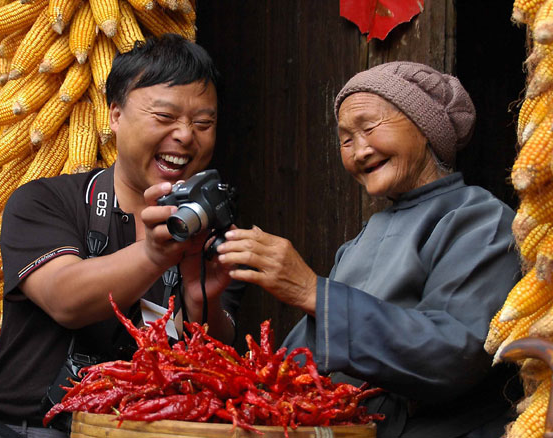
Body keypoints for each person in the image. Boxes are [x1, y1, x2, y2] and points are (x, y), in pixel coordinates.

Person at [216, 61, 522, 438]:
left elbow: (453, 354)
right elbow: (304, 355)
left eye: (369, 127)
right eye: (346, 139)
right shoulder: (363, 239)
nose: (359, 150)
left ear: (424, 127)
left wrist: (312, 292)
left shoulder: (481, 220)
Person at [0, 34, 240, 438]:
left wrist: (204, 301)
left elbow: (217, 368)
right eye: (165, 117)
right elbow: (66, 299)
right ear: (115, 115)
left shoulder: (214, 228)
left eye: (203, 123)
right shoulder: (45, 202)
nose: (186, 136)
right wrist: (153, 254)